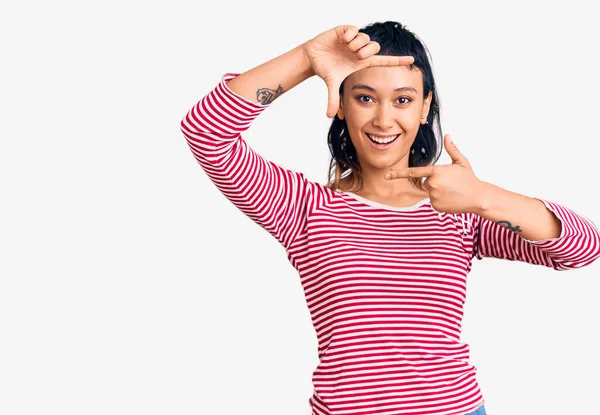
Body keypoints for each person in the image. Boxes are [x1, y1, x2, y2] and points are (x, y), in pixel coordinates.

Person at [180, 21, 600, 415]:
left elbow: (583, 247)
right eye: (364, 97)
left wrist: (483, 197)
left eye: (403, 99)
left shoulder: (458, 210)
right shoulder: (302, 208)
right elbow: (205, 132)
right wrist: (308, 58)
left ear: (424, 107)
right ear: (341, 103)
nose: (383, 119)